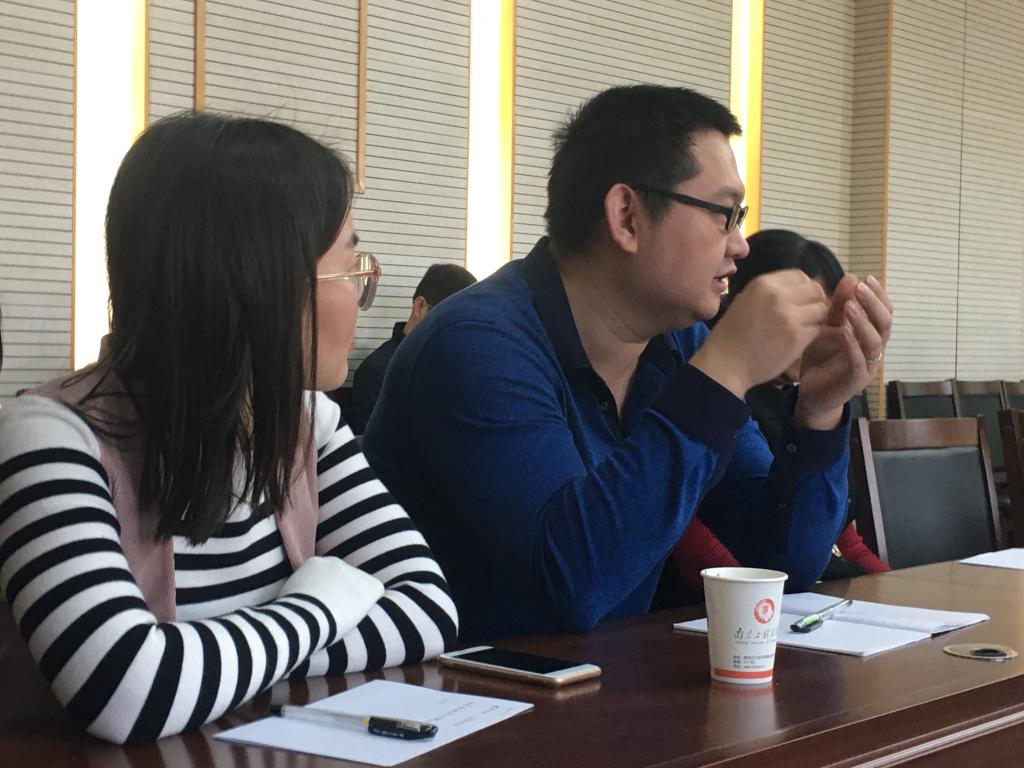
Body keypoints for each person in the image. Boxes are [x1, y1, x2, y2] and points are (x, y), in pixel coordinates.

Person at [364, 84, 893, 642]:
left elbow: (782, 563)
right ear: (626, 217)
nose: (740, 245)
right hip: (445, 688)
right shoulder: (475, 343)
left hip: (594, 683)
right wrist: (727, 369)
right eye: (725, 214)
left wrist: (819, 410)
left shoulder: (678, 343)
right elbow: (573, 583)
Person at [0, 113, 457, 744]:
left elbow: (428, 608)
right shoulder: (53, 437)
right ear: (262, 284)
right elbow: (126, 688)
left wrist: (202, 663)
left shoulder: (308, 426)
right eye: (351, 269)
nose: (359, 297)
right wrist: (317, 604)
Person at [669, 230, 888, 596]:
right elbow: (707, 553)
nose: (736, 245)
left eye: (829, 318)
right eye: (801, 317)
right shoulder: (708, 383)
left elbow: (828, 544)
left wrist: (822, 410)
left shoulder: (804, 400)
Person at [350, 263, 476, 433]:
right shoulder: (377, 371)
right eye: (452, 320)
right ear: (420, 307)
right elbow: (376, 444)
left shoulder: (460, 368)